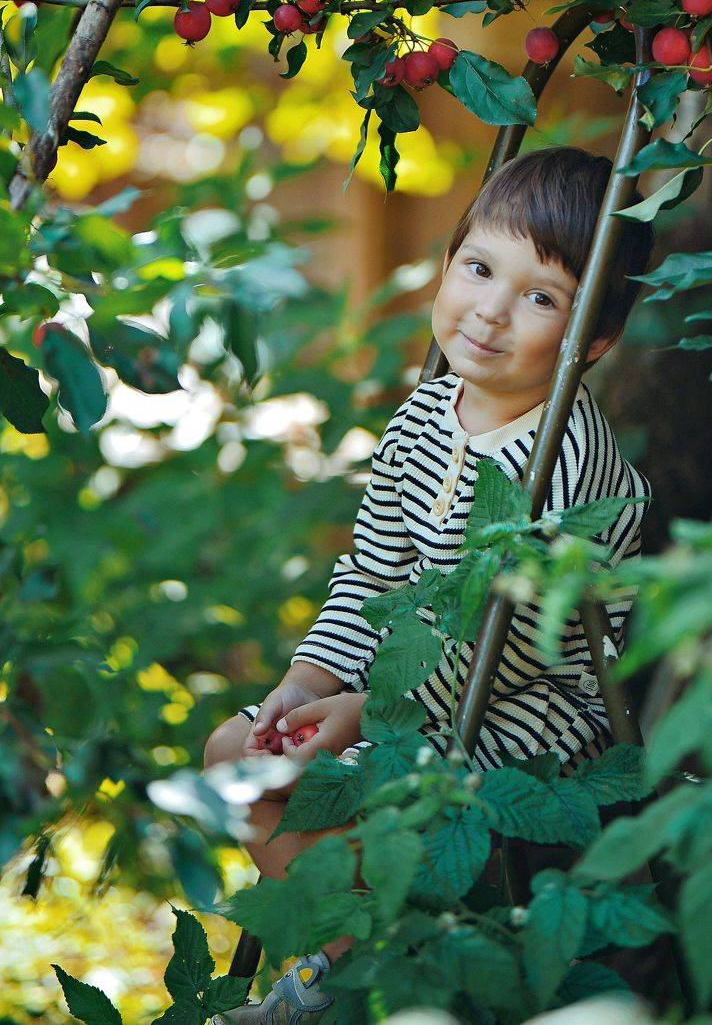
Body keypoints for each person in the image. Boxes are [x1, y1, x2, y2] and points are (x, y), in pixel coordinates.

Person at [203, 146, 655, 1024]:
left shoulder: (562, 464)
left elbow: (505, 641)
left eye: (539, 298)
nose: (489, 312)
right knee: (233, 759)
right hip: (405, 690)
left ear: (592, 340)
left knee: (360, 790)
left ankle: (344, 980)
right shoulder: (424, 415)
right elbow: (371, 575)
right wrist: (304, 688)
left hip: (525, 711)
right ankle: (351, 960)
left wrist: (365, 714)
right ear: (447, 264)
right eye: (478, 268)